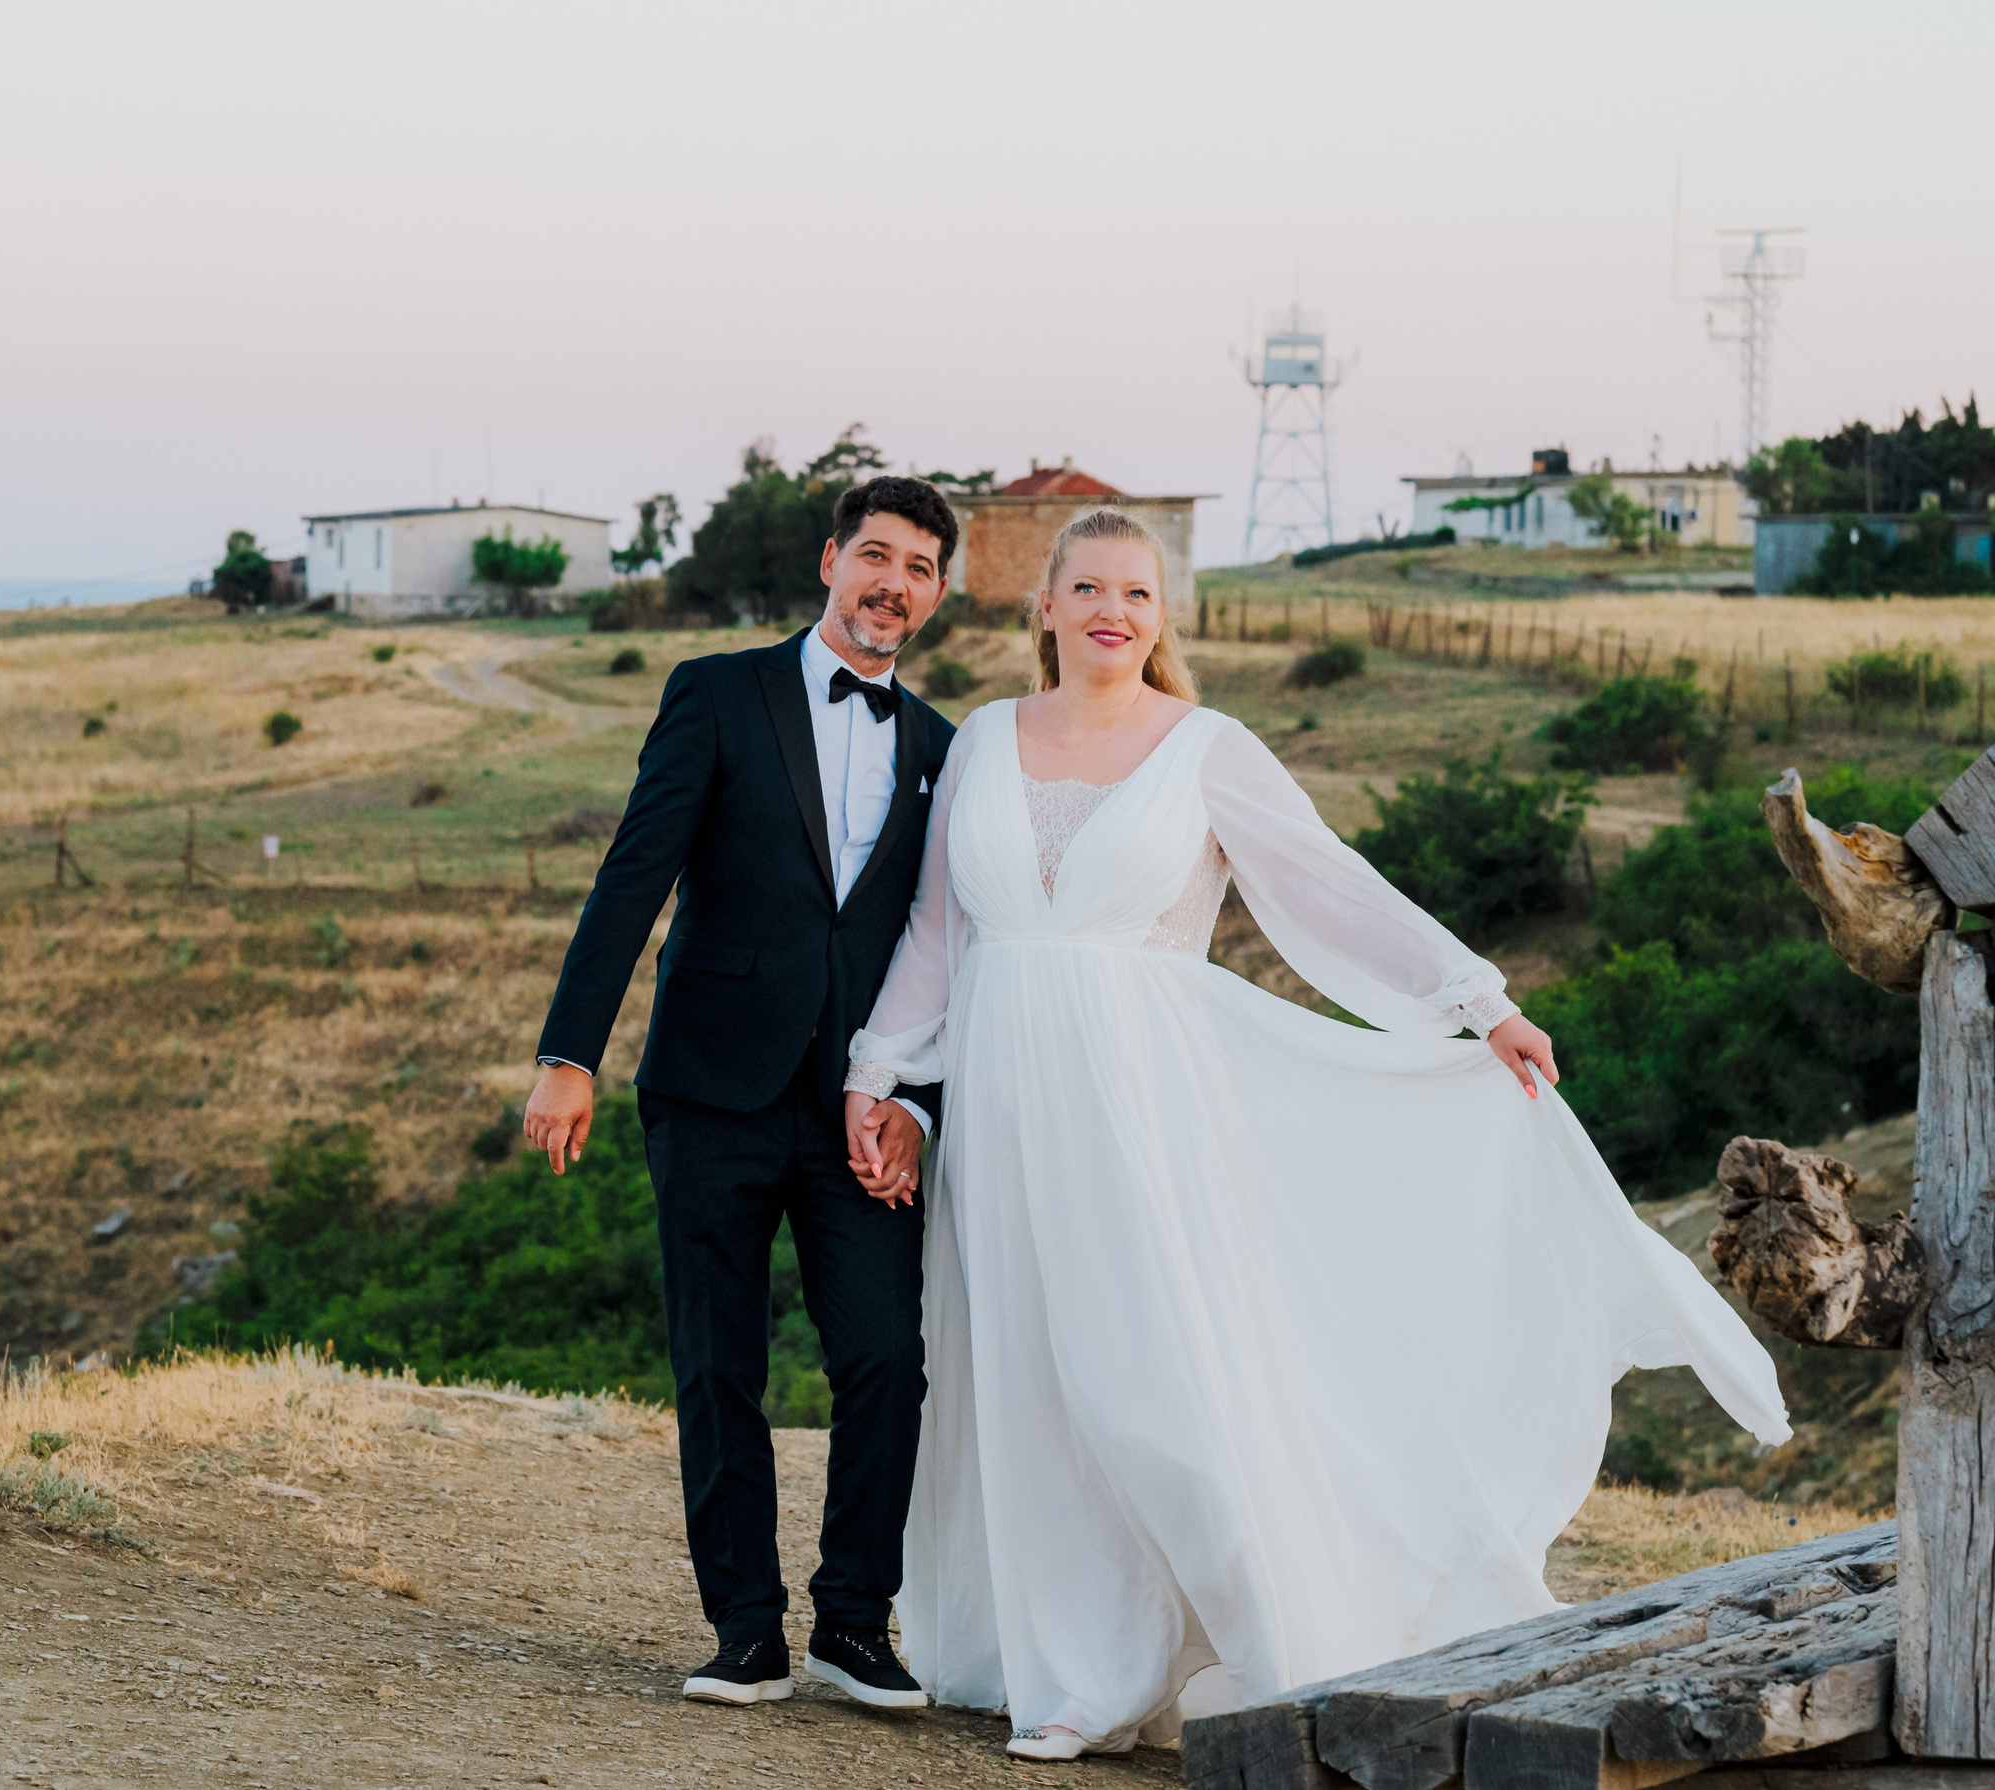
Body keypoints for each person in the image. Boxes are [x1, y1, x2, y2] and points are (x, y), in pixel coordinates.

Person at [840, 506, 1790, 1762]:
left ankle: (1249, 1632)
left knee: (1148, 1379)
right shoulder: (981, 741)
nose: (1114, 610)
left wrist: (1477, 998)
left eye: (1138, 592)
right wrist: (880, 1071)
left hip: (1142, 1107)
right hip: (1002, 1107)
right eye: (1091, 588)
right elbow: (936, 931)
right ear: (1047, 606)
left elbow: (1331, 884)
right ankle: (1074, 1674)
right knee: (1031, 1384)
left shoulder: (1206, 745)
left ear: (1161, 616)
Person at [523, 475, 960, 1712]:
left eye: (918, 567)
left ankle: (854, 1623)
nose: (892, 583)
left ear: (937, 593)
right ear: (830, 560)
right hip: (710, 1084)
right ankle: (746, 1630)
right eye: (876, 555)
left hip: (858, 1108)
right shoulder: (717, 691)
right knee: (718, 1363)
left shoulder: (943, 747)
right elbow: (633, 873)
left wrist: (915, 1104)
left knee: (886, 1359)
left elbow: (941, 947)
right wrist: (569, 1054)